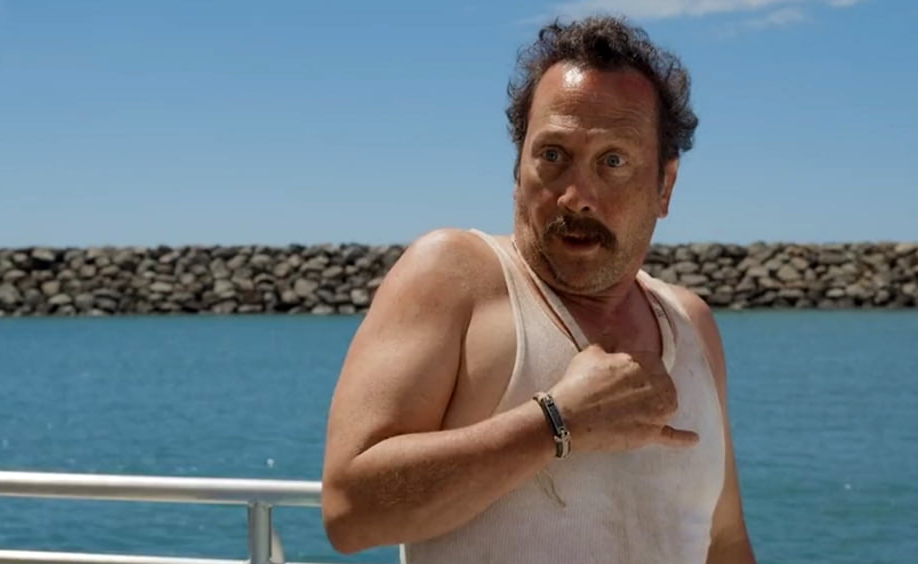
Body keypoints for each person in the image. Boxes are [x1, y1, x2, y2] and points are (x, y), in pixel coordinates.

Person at [321, 15, 756, 564]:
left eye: (613, 161)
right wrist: (557, 421)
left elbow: (725, 541)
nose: (576, 196)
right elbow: (350, 511)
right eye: (553, 155)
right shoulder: (456, 277)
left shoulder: (690, 324)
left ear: (664, 187)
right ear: (517, 168)